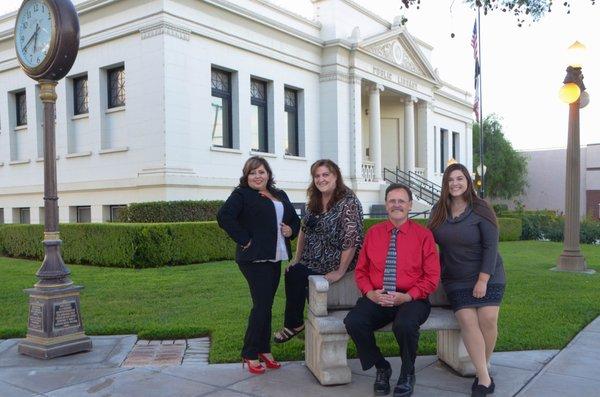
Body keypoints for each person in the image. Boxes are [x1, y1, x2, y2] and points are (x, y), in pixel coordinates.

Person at [344, 183, 440, 397]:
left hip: (412, 298)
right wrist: (370, 293)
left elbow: (432, 277)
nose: (397, 205)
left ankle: (407, 373)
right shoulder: (373, 234)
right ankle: (381, 367)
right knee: (354, 322)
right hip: (379, 296)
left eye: (401, 201)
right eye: (392, 201)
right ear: (386, 205)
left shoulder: (424, 236)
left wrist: (407, 296)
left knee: (404, 325)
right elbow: (361, 271)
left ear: (410, 205)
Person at [427, 163, 506, 397]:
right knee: (467, 320)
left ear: (468, 182)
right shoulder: (438, 210)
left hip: (488, 273)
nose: (455, 184)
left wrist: (482, 280)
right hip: (456, 277)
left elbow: (491, 246)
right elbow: (426, 239)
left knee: (488, 318)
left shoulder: (481, 208)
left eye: (460, 179)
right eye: (450, 180)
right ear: (445, 184)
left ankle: (482, 366)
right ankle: (483, 378)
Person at [217, 156, 300, 375]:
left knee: (266, 306)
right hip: (253, 260)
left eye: (261, 172)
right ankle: (250, 352)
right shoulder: (242, 195)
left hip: (275, 257)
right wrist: (244, 239)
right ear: (246, 176)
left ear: (268, 174)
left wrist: (291, 230)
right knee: (261, 306)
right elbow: (224, 216)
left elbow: (295, 220)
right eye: (252, 173)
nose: (257, 176)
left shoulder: (280, 194)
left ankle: (264, 350)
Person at [273, 159, 363, 343]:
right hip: (313, 259)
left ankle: (296, 325)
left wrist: (340, 270)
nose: (321, 179)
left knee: (298, 276)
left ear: (335, 176)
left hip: (336, 260)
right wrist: (297, 259)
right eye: (317, 176)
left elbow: (351, 239)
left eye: (325, 175)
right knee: (293, 271)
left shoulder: (348, 201)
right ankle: (298, 324)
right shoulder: (315, 199)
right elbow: (304, 231)